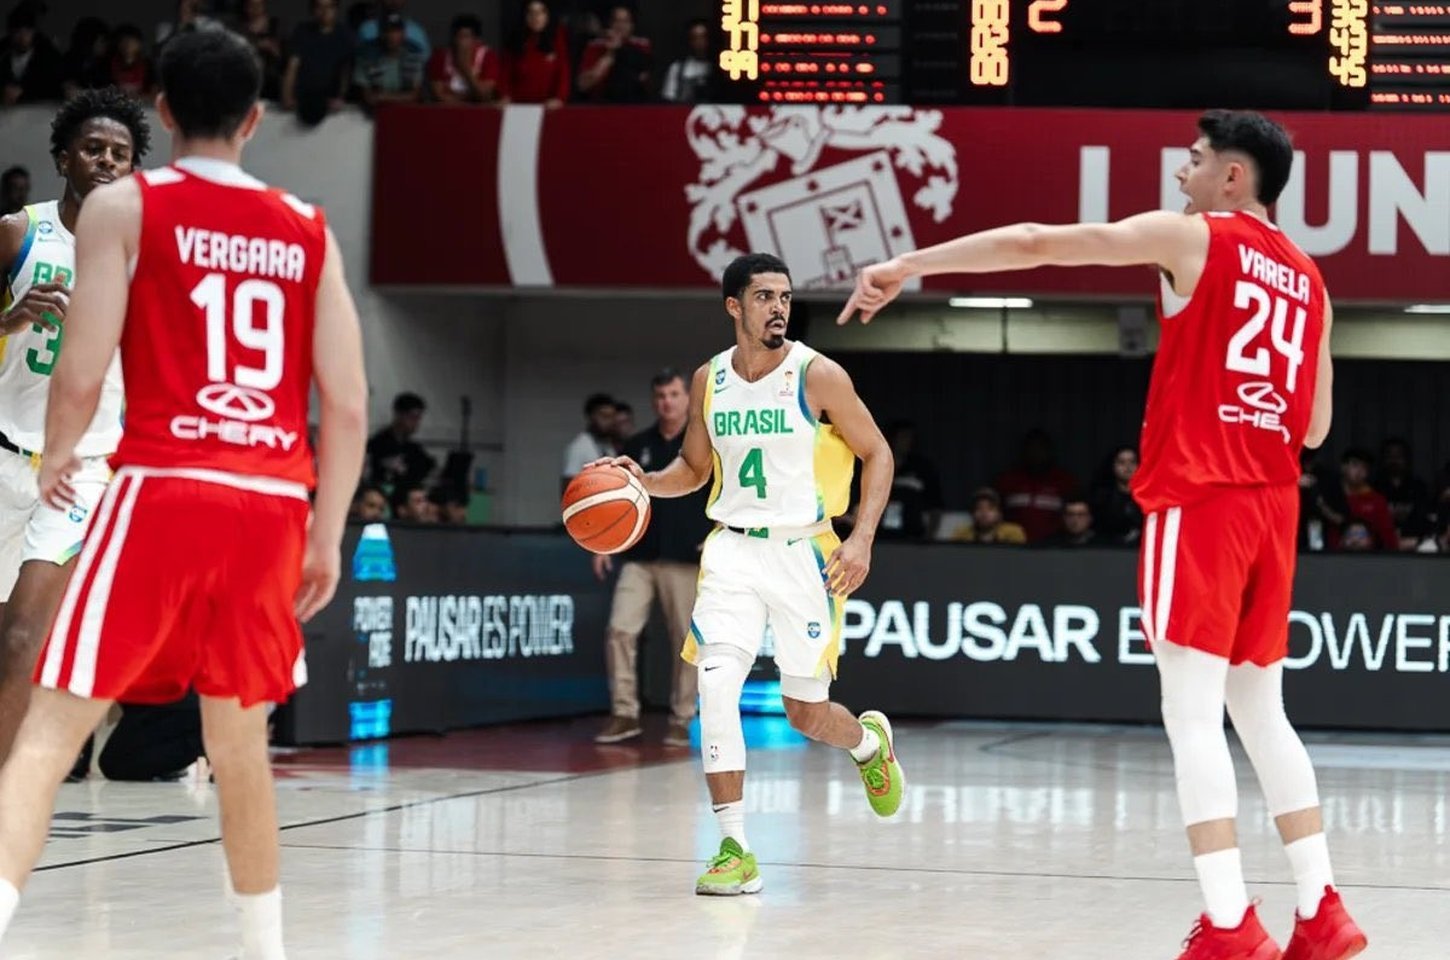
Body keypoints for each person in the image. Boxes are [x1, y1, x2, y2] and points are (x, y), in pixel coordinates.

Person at [838, 110, 1364, 960]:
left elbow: (1037, 242)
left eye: (1193, 162)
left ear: (1234, 177)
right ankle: (1323, 909)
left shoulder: (1196, 237)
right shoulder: (1311, 278)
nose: (1180, 175)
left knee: (1191, 717)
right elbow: (1314, 430)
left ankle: (1230, 926)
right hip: (1273, 507)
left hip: (1201, 499)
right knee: (1262, 714)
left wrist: (912, 263)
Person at [0, 28, 368, 959]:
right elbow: (351, 406)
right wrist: (327, 539)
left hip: (163, 484)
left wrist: (58, 455)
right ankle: (265, 947)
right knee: (239, 746)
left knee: (48, 733)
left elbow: (80, 375)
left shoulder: (127, 206)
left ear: (162, 111)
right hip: (271, 504)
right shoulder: (307, 226)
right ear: (256, 117)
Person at [595, 252, 904, 897]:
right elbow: (695, 469)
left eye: (785, 297)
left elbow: (878, 452)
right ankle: (734, 847)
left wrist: (864, 539)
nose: (779, 308)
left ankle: (869, 745)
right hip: (732, 550)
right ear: (735, 306)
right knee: (713, 688)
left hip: (804, 554)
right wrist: (641, 485)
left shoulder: (817, 374)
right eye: (765, 297)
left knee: (806, 714)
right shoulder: (709, 379)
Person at [0, 88, 150, 765]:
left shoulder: (146, 257)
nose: (107, 161)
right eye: (94, 149)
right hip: (5, 455)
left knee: (20, 642)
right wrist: (8, 319)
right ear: (64, 157)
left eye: (121, 153)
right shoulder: (17, 232)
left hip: (82, 472)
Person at [591, 369, 713, 747]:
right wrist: (601, 543)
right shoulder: (637, 443)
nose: (667, 402)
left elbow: (723, 495)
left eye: (674, 394)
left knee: (685, 641)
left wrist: (714, 539)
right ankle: (624, 713)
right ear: (653, 400)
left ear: (686, 398)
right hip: (639, 555)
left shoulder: (703, 443)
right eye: (660, 395)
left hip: (686, 557)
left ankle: (681, 718)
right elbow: (613, 498)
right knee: (619, 629)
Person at [366, 391, 435, 487]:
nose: (416, 423)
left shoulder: (414, 449)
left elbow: (428, 468)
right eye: (412, 417)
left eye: (418, 418)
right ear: (399, 415)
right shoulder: (377, 444)